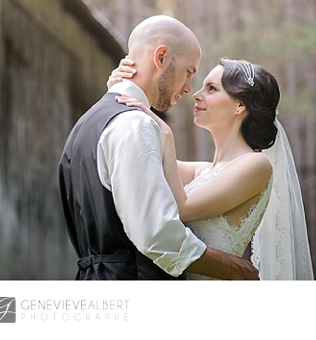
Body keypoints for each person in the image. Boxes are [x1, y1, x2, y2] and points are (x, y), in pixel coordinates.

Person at [58, 15, 260, 280]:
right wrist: (236, 269)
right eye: (189, 72)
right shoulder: (134, 125)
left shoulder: (90, 122)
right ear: (161, 57)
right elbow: (157, 234)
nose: (189, 88)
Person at [109, 57, 314, 280]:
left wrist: (167, 135)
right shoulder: (203, 172)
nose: (197, 94)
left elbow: (182, 208)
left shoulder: (256, 165)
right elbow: (144, 158)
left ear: (239, 106)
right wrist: (120, 90)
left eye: (211, 88)